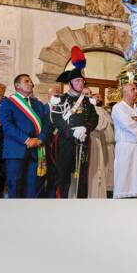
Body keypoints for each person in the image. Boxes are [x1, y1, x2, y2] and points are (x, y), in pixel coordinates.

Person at [47, 47, 100, 199]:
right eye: (77, 81)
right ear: (70, 83)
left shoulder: (87, 102)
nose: (81, 83)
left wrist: (86, 128)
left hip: (83, 142)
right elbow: (56, 119)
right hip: (65, 142)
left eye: (82, 81)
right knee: (62, 178)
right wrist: (70, 132)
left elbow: (94, 118)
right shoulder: (61, 99)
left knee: (82, 178)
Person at [0, 73, 50, 198]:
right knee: (15, 187)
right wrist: (26, 140)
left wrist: (40, 139)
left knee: (33, 188)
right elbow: (7, 125)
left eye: (31, 81)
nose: (31, 84)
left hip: (36, 150)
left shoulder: (38, 104)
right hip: (16, 151)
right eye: (27, 81)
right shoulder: (8, 103)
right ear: (17, 85)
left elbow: (47, 124)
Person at [110, 81, 137, 198]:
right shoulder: (118, 107)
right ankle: (123, 198)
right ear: (125, 92)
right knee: (125, 175)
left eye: (136, 89)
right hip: (126, 146)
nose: (136, 91)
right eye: (133, 89)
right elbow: (128, 124)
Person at [87, 88, 115, 199]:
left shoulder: (103, 110)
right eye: (95, 96)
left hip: (106, 142)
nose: (96, 98)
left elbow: (105, 125)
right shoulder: (93, 110)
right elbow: (99, 126)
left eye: (99, 97)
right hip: (95, 141)